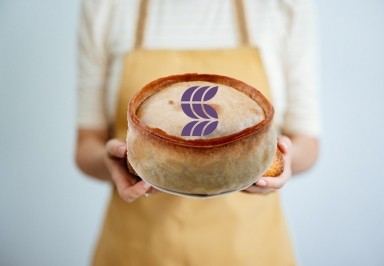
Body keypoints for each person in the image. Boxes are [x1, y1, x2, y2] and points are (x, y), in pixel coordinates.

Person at [75, 0, 320, 265]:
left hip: (251, 251)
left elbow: (307, 143)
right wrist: (111, 162)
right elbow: (87, 144)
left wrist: (285, 159)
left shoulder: (283, 6)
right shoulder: (107, 7)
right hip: (137, 250)